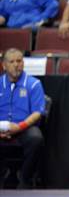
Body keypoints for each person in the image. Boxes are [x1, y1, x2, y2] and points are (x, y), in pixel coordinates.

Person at [0, 48, 46, 188]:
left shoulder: (33, 84)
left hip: (23, 128)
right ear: (4, 65)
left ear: (23, 63)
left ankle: (24, 177)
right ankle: (2, 173)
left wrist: (18, 127)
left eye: (19, 61)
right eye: (12, 61)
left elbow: (38, 112)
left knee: (36, 138)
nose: (16, 64)